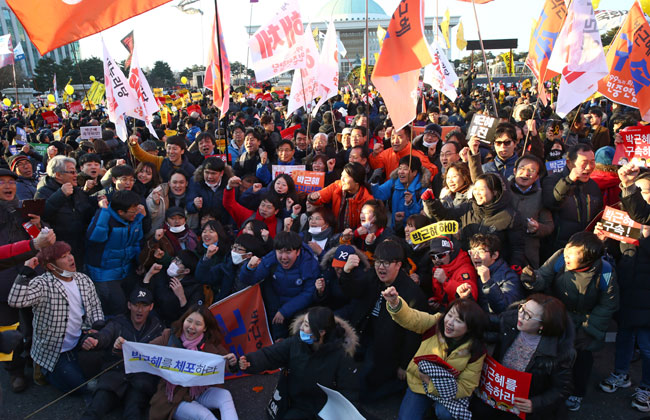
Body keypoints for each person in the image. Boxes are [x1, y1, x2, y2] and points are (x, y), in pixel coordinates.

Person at [520, 231, 619, 411]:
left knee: (582, 359)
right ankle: (550, 392)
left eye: (573, 253)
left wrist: (590, 330)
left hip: (587, 319)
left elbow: (608, 305)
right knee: (553, 356)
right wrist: (533, 279)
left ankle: (577, 392)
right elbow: (543, 276)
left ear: (588, 258)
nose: (567, 255)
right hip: (559, 315)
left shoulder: (605, 272)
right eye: (567, 249)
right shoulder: (559, 257)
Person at [8, 241, 104, 393]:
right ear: (51, 266)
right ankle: (43, 368)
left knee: (102, 367)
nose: (71, 258)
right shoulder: (42, 283)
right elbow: (15, 301)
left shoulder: (83, 279)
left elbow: (95, 306)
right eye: (63, 257)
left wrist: (97, 327)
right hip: (54, 349)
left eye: (70, 253)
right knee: (78, 386)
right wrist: (26, 271)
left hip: (80, 338)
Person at [340, 239, 428, 401]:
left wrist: (404, 364)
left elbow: (413, 334)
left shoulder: (412, 293)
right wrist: (346, 273)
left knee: (365, 388)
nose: (381, 267)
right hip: (364, 331)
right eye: (378, 261)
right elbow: (354, 291)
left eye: (386, 263)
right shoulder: (373, 276)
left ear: (398, 265)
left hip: (387, 345)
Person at [382, 286, 487, 420]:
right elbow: (413, 318)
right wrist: (395, 303)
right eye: (450, 315)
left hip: (448, 393)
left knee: (446, 414)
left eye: (458, 321)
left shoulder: (476, 350)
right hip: (419, 384)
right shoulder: (436, 323)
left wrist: (430, 383)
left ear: (470, 328)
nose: (450, 323)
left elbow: (466, 386)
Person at [239, 306, 359, 419]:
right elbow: (269, 355)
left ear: (322, 332)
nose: (301, 328)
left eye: (306, 325)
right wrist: (248, 362)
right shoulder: (295, 342)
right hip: (289, 399)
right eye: (303, 323)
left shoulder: (341, 357)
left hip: (318, 409)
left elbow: (348, 392)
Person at [470, 294, 575, 420]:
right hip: (496, 393)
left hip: (522, 406)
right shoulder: (512, 319)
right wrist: (468, 301)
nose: (520, 315)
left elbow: (561, 389)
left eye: (528, 315)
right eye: (522, 308)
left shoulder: (558, 352)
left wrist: (535, 404)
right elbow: (486, 321)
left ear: (542, 326)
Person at [598, 171, 650, 412]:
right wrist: (603, 240)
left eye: (645, 191)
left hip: (647, 296)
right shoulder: (623, 220)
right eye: (636, 191)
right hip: (627, 292)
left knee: (647, 345)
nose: (640, 196)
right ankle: (620, 373)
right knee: (624, 337)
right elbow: (614, 256)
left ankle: (646, 387)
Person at [81, 288, 165, 420]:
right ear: (129, 305)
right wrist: (94, 341)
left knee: (133, 412)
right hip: (115, 375)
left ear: (151, 307)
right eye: (136, 305)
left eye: (144, 305)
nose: (139, 310)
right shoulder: (117, 322)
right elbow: (105, 335)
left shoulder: (157, 327)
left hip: (140, 380)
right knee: (95, 408)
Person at [147, 305, 239, 420]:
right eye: (189, 321)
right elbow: (145, 351)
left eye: (198, 324)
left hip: (200, 391)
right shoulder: (169, 337)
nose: (191, 327)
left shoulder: (208, 342)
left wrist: (232, 362)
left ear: (205, 328)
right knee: (205, 416)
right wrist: (125, 348)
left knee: (225, 395)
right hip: (176, 397)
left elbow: (225, 361)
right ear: (183, 320)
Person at [423, 172, 527, 268]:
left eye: (481, 189)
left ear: (494, 191)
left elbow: (517, 248)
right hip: (466, 265)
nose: (477, 193)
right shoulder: (469, 206)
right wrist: (431, 202)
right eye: (475, 189)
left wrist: (515, 266)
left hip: (494, 269)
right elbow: (446, 216)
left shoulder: (509, 216)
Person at [239, 231, 320, 339]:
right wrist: (249, 268)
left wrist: (285, 311)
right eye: (280, 252)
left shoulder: (310, 265)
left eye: (288, 252)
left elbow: (308, 293)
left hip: (298, 311)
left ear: (298, 252)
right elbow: (250, 280)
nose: (284, 257)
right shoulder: (270, 259)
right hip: (274, 309)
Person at [86, 190, 146, 316]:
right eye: (133, 211)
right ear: (120, 212)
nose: (137, 212)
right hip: (104, 274)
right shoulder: (105, 219)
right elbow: (94, 237)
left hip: (125, 271)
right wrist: (104, 211)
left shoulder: (135, 220)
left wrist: (140, 263)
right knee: (117, 307)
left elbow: (136, 244)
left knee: (131, 303)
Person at [542, 143, 603, 255]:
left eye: (592, 162)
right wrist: (569, 181)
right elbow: (551, 202)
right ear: (569, 163)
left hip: (585, 249)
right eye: (584, 163)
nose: (589, 167)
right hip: (558, 249)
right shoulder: (552, 180)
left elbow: (598, 213)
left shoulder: (593, 185)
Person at [35, 155, 95, 264]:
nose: (76, 175)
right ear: (58, 175)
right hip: (59, 252)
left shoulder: (77, 191)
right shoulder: (43, 192)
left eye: (76, 171)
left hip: (80, 247)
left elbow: (86, 212)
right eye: (72, 172)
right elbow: (42, 216)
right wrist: (61, 195)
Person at [141, 250, 204, 326]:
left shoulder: (195, 288)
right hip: (151, 321)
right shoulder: (162, 274)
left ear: (186, 271)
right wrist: (149, 275)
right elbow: (144, 297)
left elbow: (191, 318)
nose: (173, 263)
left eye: (178, 262)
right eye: (175, 259)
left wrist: (181, 297)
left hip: (171, 326)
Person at [308, 162, 374, 232]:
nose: (342, 179)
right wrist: (313, 197)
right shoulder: (337, 186)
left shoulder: (367, 199)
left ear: (357, 182)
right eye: (342, 175)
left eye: (346, 177)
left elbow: (366, 224)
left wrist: (353, 233)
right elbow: (321, 196)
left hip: (354, 234)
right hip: (334, 231)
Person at [468, 233, 524, 314]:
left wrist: (488, 283)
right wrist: (467, 297)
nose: (475, 256)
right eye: (472, 252)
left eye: (481, 251)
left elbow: (506, 309)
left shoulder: (510, 276)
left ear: (494, 255)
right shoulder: (473, 272)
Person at [371, 155, 427, 229]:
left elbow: (423, 216)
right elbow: (379, 194)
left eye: (405, 169)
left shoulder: (422, 190)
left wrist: (410, 204)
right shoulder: (394, 183)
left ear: (414, 172)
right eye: (400, 168)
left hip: (413, 231)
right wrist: (374, 183)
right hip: (395, 228)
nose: (401, 172)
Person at [427, 236, 478, 310]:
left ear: (451, 253)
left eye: (440, 255)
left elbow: (471, 297)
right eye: (433, 257)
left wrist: (446, 281)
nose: (437, 260)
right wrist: (438, 302)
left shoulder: (465, 269)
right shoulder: (438, 268)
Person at [128, 135, 196, 183]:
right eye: (169, 148)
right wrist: (134, 145)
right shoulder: (160, 161)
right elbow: (142, 156)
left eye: (174, 149)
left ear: (182, 151)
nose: (171, 152)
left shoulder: (190, 169)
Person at [146, 169, 192, 233]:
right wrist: (155, 204)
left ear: (186, 183)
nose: (178, 186)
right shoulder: (158, 192)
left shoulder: (192, 196)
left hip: (185, 233)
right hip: (159, 233)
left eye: (181, 182)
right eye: (174, 182)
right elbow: (149, 215)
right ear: (169, 183)